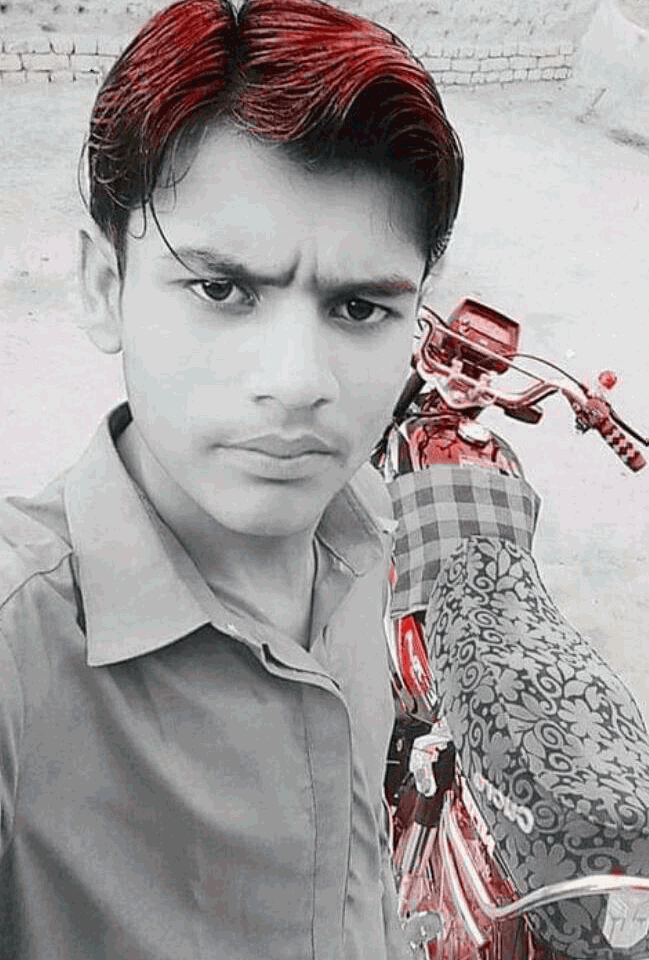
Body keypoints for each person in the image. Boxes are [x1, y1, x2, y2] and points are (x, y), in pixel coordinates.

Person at [0, 1, 463, 957]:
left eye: (360, 308)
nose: (296, 383)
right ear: (102, 287)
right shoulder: (21, 646)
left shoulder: (367, 531)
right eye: (222, 290)